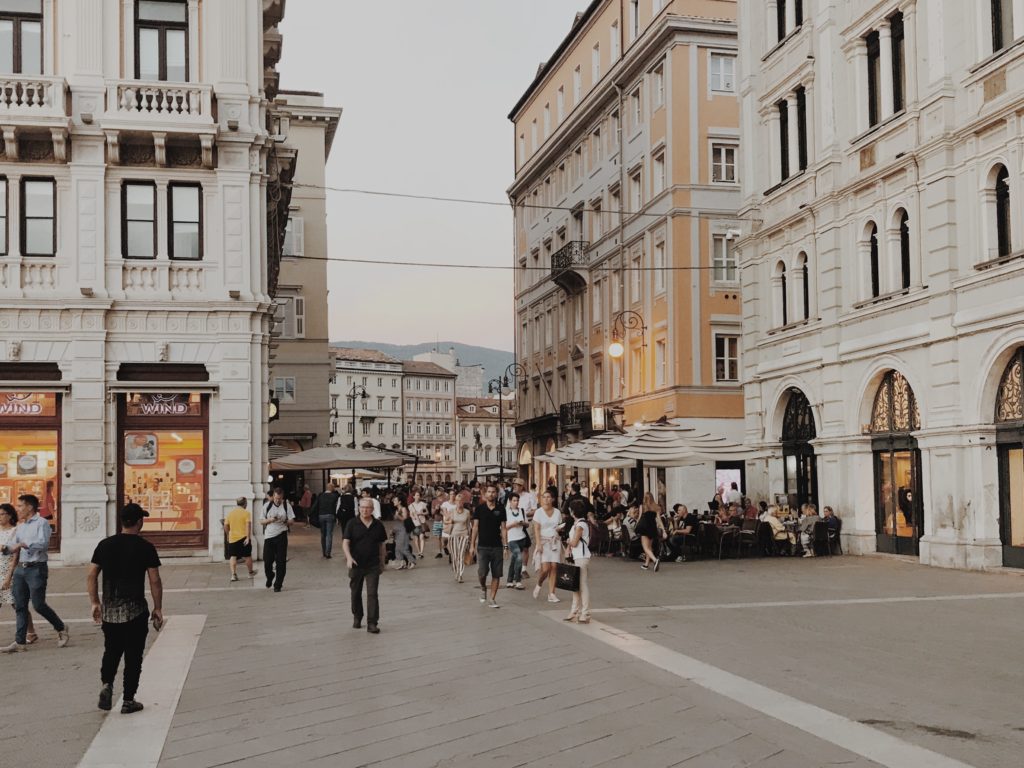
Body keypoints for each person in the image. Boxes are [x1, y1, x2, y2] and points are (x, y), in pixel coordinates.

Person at [87, 503, 162, 715]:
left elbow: (92, 575)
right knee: (133, 656)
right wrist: (158, 608)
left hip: (110, 610)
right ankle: (129, 699)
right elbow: (154, 580)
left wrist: (95, 602)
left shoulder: (104, 545)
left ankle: (107, 684)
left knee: (111, 650)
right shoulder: (145, 546)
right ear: (139, 521)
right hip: (135, 609)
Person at [1, 494, 68, 653]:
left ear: (29, 507)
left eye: (20, 505)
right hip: (20, 569)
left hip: (36, 568)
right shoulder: (21, 526)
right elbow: (11, 546)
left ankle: (61, 627)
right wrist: (5, 548)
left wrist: (24, 544)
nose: (18, 509)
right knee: (20, 606)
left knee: (38, 604)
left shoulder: (42, 523)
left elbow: (44, 544)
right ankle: (19, 642)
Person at [343, 498, 387, 633]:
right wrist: (349, 558)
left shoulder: (378, 525)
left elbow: (382, 544)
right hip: (356, 564)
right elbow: (345, 543)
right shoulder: (352, 523)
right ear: (359, 508)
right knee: (355, 592)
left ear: (372, 509)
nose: (364, 510)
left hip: (372, 564)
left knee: (372, 594)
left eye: (367, 508)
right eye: (362, 507)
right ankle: (357, 616)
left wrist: (382, 561)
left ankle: (372, 623)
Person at [0, 504, 36, 643]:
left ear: (9, 515)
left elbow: (16, 555)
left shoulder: (15, 531)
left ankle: (31, 632)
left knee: (18, 604)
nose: (0, 517)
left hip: (9, 570)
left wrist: (9, 576)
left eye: (2, 514)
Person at [470, 484, 505, 608]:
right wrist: (472, 545)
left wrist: (505, 545)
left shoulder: (501, 509)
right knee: (482, 573)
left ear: (496, 494)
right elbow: (475, 527)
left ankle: (492, 599)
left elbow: (504, 528)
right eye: (489, 492)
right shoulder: (479, 509)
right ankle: (483, 588)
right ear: (485, 494)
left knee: (496, 574)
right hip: (483, 546)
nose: (491, 494)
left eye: (493, 492)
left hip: (497, 546)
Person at [259, 487, 294, 592]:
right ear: (273, 496)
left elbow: (292, 520)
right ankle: (270, 576)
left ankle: (278, 584)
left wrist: (285, 521)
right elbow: (261, 521)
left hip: (281, 535)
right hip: (269, 536)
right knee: (267, 561)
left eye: (279, 498)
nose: (277, 500)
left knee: (281, 562)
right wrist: (269, 520)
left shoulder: (286, 506)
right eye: (276, 498)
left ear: (282, 497)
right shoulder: (267, 506)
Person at [531, 490, 562, 604]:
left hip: (554, 541)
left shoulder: (557, 512)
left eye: (548, 497)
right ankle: (539, 583)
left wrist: (560, 529)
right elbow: (537, 529)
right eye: (544, 497)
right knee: (545, 569)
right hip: (543, 541)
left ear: (552, 499)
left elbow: (558, 525)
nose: (546, 499)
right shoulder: (538, 512)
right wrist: (538, 544)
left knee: (554, 567)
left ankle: (552, 593)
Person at [564, 501, 592, 624]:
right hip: (578, 556)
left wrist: (568, 541)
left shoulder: (580, 524)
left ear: (573, 511)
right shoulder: (578, 523)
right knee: (575, 585)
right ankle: (575, 611)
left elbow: (574, 542)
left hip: (582, 557)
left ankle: (585, 613)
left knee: (582, 585)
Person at [223, 497, 254, 581]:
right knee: (247, 556)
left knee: (233, 556)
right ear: (245, 503)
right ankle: (250, 573)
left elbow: (225, 525)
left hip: (233, 538)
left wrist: (228, 534)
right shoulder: (246, 513)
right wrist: (248, 537)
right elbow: (248, 526)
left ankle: (233, 575)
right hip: (244, 538)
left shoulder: (230, 513)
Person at [504, 492, 528, 590]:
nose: (516, 502)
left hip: (521, 538)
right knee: (519, 557)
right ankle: (518, 580)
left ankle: (509, 581)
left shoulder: (522, 511)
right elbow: (504, 527)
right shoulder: (506, 512)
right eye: (514, 500)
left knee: (514, 560)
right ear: (510, 501)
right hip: (511, 539)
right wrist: (514, 524)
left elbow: (527, 524)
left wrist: (522, 523)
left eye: (517, 500)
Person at [313, 481, 341, 558]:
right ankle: (328, 553)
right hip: (330, 515)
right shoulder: (334, 496)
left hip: (321, 515)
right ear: (332, 488)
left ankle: (323, 552)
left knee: (323, 534)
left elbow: (315, 505)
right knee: (329, 534)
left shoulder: (320, 495)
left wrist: (310, 514)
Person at [636, 495, 663, 572]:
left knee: (645, 547)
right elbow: (659, 519)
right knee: (649, 547)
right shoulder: (656, 507)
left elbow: (640, 517)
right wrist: (663, 530)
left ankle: (655, 560)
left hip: (644, 527)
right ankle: (646, 564)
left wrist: (636, 526)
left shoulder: (643, 506)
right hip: (653, 528)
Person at [447, 500, 472, 583]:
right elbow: (449, 524)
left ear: (463, 503)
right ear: (455, 503)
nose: (459, 504)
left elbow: (468, 525)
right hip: (454, 535)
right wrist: (448, 536)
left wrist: (470, 537)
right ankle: (456, 572)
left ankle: (460, 574)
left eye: (461, 502)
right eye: (457, 502)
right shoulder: (452, 511)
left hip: (464, 535)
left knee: (461, 555)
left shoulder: (467, 512)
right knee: (454, 556)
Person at [392, 499, 416, 570]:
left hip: (404, 530)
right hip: (398, 530)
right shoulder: (397, 509)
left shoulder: (403, 509)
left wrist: (397, 516)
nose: (393, 501)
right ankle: (402, 563)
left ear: (400, 501)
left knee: (404, 547)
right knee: (397, 548)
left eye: (395, 500)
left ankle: (412, 561)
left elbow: (404, 518)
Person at [409, 491, 429, 558]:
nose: (418, 496)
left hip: (422, 522)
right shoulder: (411, 505)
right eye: (416, 495)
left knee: (422, 537)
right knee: (416, 538)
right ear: (414, 496)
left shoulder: (423, 504)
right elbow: (411, 514)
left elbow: (427, 512)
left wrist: (421, 513)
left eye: (419, 495)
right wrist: (413, 517)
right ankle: (418, 551)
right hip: (415, 523)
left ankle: (421, 552)